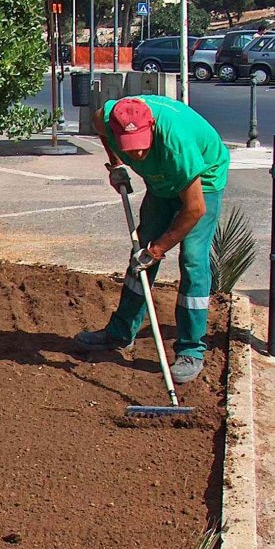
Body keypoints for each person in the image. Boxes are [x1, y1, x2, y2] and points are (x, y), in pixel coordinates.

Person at [74, 95, 229, 385]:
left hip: (202, 179)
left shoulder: (176, 143)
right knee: (139, 250)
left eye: (143, 146)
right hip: (162, 183)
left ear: (153, 128)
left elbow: (195, 208)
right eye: (132, 148)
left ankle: (190, 350)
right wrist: (116, 164)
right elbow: (99, 122)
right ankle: (120, 333)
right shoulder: (107, 119)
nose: (140, 155)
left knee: (193, 258)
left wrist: (158, 249)